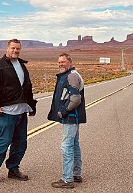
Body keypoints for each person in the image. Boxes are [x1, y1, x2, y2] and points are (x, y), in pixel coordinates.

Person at [0, 39, 37, 183]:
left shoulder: (21, 65)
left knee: (21, 143)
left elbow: (27, 87)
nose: (15, 51)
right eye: (13, 48)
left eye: (18, 49)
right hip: (6, 112)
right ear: (7, 48)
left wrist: (32, 106)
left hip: (21, 111)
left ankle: (13, 169)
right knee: (3, 142)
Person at [48, 53, 86, 189]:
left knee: (67, 146)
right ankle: (76, 174)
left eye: (63, 62)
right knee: (74, 144)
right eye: (59, 62)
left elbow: (75, 99)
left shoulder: (72, 76)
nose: (60, 64)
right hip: (72, 117)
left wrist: (63, 111)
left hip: (71, 117)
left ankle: (67, 179)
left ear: (70, 62)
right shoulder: (69, 74)